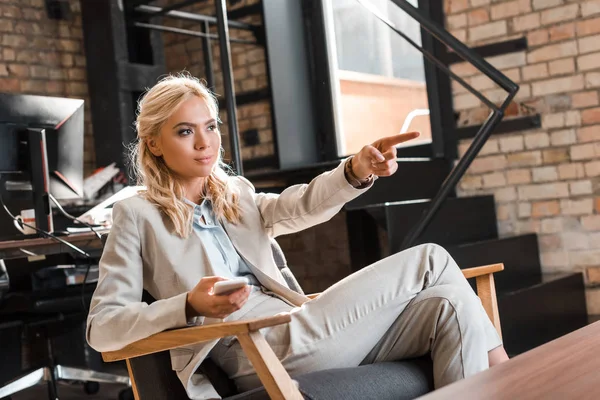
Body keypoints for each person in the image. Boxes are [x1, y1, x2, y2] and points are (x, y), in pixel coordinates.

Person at [86, 74, 509, 399]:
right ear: (154, 144)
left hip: (299, 326)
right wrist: (187, 304)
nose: (204, 142)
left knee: (449, 306)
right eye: (184, 131)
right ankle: (513, 378)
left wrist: (356, 170)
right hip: (258, 348)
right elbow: (102, 328)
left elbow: (302, 205)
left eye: (211, 127)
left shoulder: (236, 195)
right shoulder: (136, 214)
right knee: (430, 259)